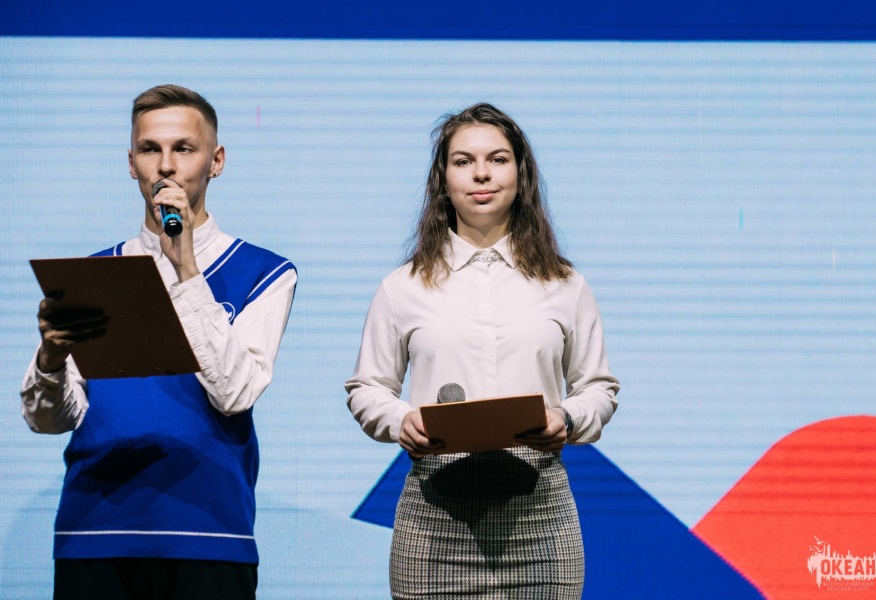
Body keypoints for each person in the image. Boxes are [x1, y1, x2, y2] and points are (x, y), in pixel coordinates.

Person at [20, 84, 297, 600]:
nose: (165, 166)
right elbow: (48, 421)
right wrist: (51, 358)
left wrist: (186, 267)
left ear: (216, 161)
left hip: (210, 533)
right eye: (150, 149)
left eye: (183, 149)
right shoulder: (96, 275)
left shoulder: (263, 272)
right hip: (95, 530)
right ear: (132, 163)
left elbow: (234, 394)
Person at [345, 103, 620, 599]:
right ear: (443, 179)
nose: (481, 173)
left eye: (497, 159)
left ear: (520, 174)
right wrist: (401, 420)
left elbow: (598, 387)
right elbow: (367, 387)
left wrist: (566, 418)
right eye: (463, 161)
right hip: (435, 516)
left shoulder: (564, 284)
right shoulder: (402, 287)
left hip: (540, 514)